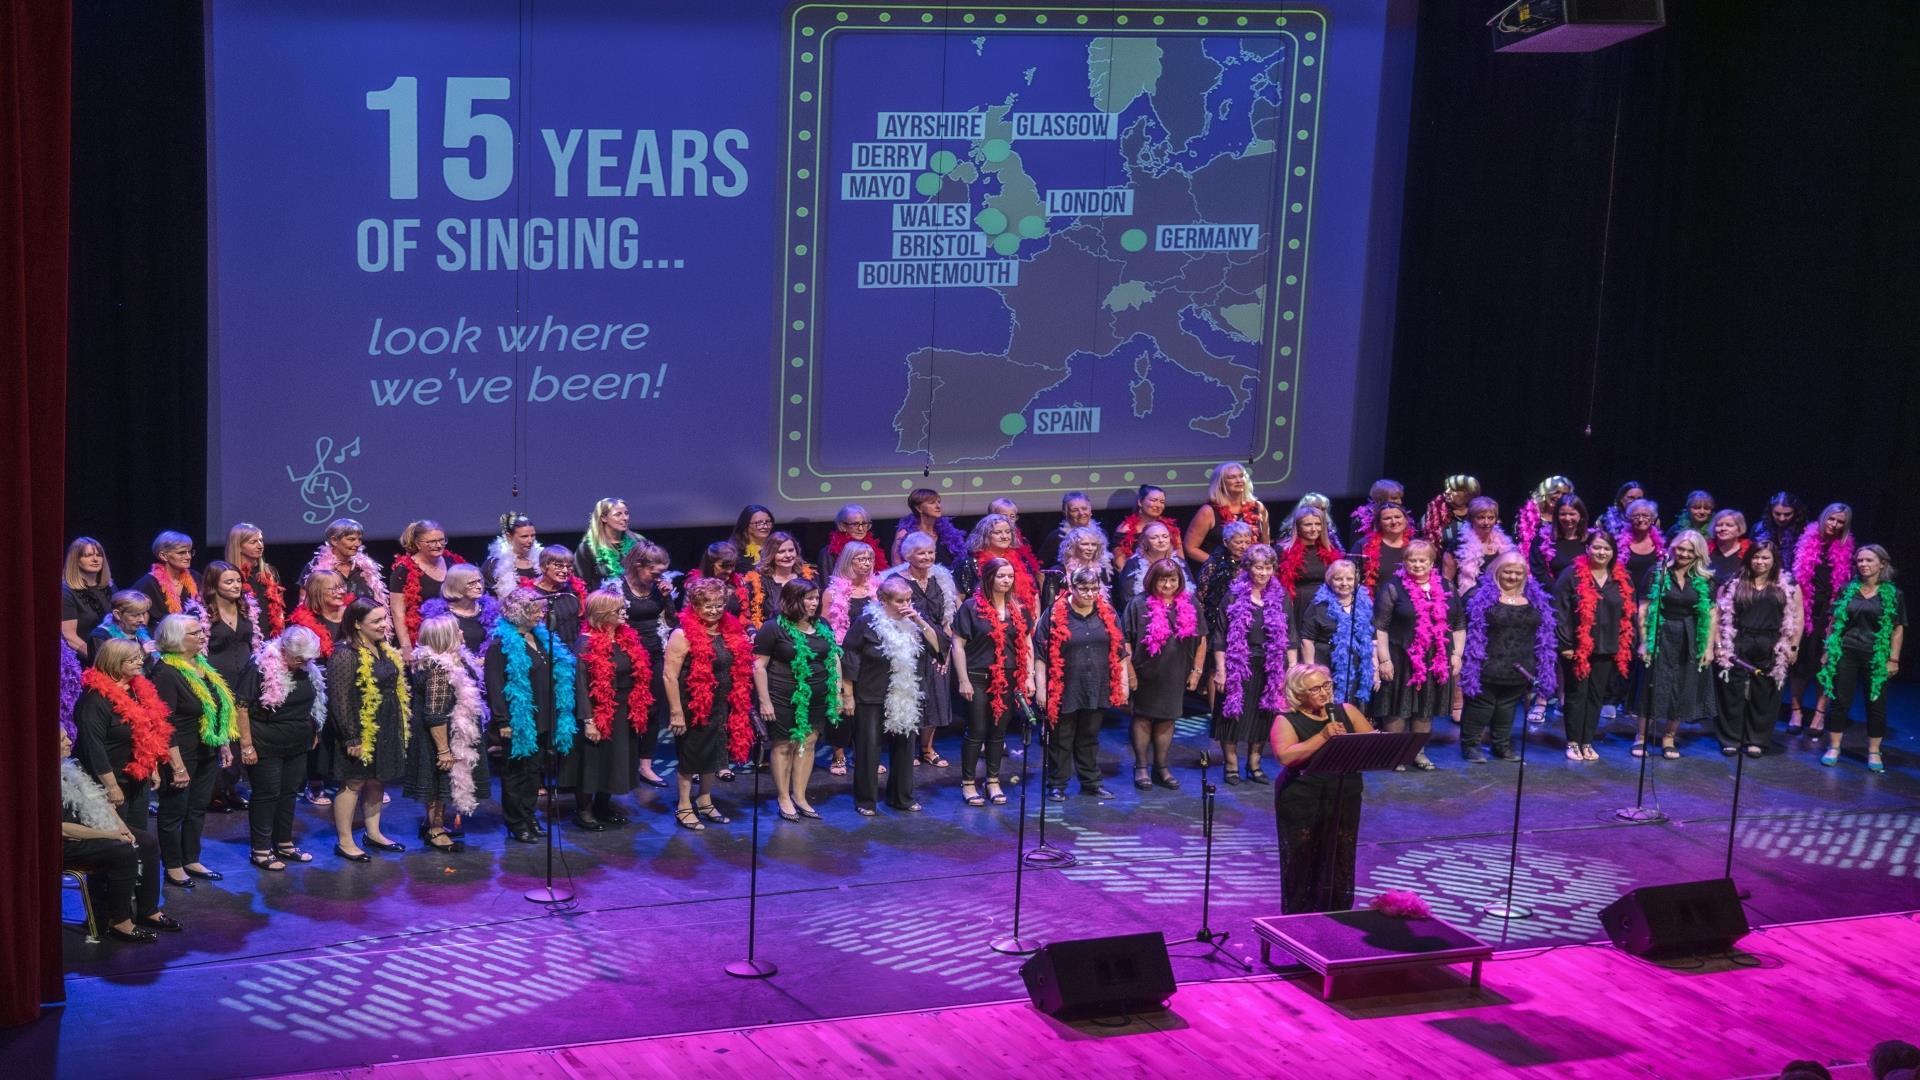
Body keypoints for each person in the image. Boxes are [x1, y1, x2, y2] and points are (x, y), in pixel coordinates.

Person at [1270, 663, 1375, 914]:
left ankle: (1337, 913)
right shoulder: (1286, 720)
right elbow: (1285, 757)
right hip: (1303, 797)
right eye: (1315, 688)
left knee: (1340, 854)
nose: (1324, 692)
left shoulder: (1346, 711)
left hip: (1344, 793)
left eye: (1326, 685)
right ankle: (1300, 917)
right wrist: (1323, 736)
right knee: (1303, 858)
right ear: (1298, 694)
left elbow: (1371, 743)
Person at [843, 577, 949, 814]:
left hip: (904, 693)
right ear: (883, 601)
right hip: (871, 694)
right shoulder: (866, 622)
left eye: (909, 600)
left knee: (904, 747)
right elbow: (849, 656)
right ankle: (866, 801)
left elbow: (939, 646)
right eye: (900, 601)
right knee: (869, 748)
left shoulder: (914, 622)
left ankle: (901, 797)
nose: (906, 605)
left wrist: (919, 620)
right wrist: (847, 694)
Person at [60, 725, 176, 942]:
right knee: (123, 851)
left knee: (147, 842)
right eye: (62, 740)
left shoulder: (71, 769)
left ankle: (148, 910)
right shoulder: (40, 781)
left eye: (67, 737)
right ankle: (120, 921)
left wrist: (119, 826)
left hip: (93, 827)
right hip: (68, 842)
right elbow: (61, 828)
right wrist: (113, 836)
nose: (69, 742)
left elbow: (100, 802)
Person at [149, 613, 238, 887]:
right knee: (174, 810)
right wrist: (176, 766)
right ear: (175, 639)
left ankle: (191, 858)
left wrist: (222, 743)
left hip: (206, 749)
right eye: (195, 633)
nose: (202, 636)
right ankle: (173, 865)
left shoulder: (201, 665)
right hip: (179, 752)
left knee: (198, 807)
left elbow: (216, 708)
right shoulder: (165, 672)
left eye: (202, 631)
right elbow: (165, 724)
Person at [487, 587, 580, 843]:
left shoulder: (542, 638)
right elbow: (495, 686)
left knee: (534, 772)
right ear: (519, 612)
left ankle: (529, 816)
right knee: (516, 772)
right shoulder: (500, 645)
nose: (541, 613)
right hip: (517, 720)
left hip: (542, 716)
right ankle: (516, 822)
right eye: (535, 609)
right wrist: (503, 721)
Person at [325, 600, 413, 860]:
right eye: (376, 621)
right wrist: (351, 736)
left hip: (385, 723)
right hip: (358, 727)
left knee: (377, 779)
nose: (384, 624)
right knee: (354, 782)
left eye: (384, 618)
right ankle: (345, 841)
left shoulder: (383, 648)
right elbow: (339, 699)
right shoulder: (345, 653)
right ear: (357, 624)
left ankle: (373, 833)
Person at [661, 578, 751, 830]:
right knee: (692, 756)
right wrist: (676, 712)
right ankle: (683, 805)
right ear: (695, 605)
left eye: (719, 605)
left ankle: (704, 800)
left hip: (722, 703)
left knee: (715, 753)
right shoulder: (682, 634)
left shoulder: (729, 630)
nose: (714, 610)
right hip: (693, 705)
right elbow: (669, 675)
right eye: (707, 605)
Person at [234, 626, 326, 869]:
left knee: (289, 793)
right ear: (283, 649)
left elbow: (315, 700)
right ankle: (261, 849)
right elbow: (241, 706)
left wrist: (315, 729)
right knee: (267, 794)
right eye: (298, 659)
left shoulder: (307, 667)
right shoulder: (260, 666)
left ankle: (284, 843)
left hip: (297, 741)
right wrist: (246, 746)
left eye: (307, 659)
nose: (303, 663)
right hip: (265, 741)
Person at [1457, 552, 1559, 762]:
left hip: (1520, 665)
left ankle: (1501, 745)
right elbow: (1463, 628)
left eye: (1518, 573)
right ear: (1497, 572)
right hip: (1485, 663)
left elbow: (1544, 631)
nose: (1513, 577)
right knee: (1480, 706)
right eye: (1508, 572)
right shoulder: (1479, 596)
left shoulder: (1535, 598)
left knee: (1507, 707)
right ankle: (1471, 746)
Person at [753, 579, 839, 820]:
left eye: (816, 597)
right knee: (784, 746)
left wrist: (838, 691)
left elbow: (833, 659)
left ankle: (800, 796)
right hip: (783, 696)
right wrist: (765, 701)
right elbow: (759, 666)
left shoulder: (822, 625)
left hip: (817, 696)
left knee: (807, 744)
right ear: (793, 599)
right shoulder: (773, 628)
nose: (814, 603)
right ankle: (783, 797)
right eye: (809, 598)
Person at [954, 557, 1036, 806]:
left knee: (998, 732)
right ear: (989, 578)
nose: (1006, 580)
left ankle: (992, 781)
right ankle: (968, 783)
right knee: (977, 730)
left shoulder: (1017, 608)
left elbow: (1027, 642)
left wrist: (1029, 676)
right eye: (1001, 576)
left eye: (1010, 576)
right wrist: (963, 680)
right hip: (978, 676)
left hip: (1008, 678)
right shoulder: (971, 607)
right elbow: (957, 644)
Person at [1369, 540, 1457, 771]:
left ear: (1431, 562)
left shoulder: (1447, 587)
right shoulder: (1393, 588)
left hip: (1434, 659)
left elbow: (1458, 624)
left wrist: (1456, 655)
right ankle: (1394, 754)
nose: (1417, 565)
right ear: (1405, 562)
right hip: (1400, 656)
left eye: (1422, 560)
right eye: (1412, 560)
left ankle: (1417, 752)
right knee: (1397, 706)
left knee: (1425, 708)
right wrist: (1384, 659)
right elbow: (1381, 626)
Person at [566, 591, 650, 830]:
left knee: (614, 761)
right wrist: (589, 720)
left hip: (622, 710)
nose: (624, 613)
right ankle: (584, 810)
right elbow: (580, 686)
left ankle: (604, 806)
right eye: (618, 610)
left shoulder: (625, 637)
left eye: (624, 608)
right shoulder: (586, 642)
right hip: (596, 711)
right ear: (602, 614)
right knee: (593, 761)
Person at [1814, 544, 1903, 772]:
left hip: (1876, 654)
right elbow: (1835, 622)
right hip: (1846, 651)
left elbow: (1897, 628)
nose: (1863, 564)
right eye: (1860, 561)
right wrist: (1827, 650)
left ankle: (1873, 751)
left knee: (1875, 703)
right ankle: (1834, 747)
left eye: (1869, 560)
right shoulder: (1848, 589)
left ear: (1882, 563)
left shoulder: (1893, 594)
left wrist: (1893, 659)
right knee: (1840, 700)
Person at [1122, 558, 1204, 791]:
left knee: (1168, 718)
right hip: (1145, 671)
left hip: (1176, 671)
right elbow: (1125, 640)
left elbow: (1202, 640)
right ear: (1152, 580)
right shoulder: (1138, 604)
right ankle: (1141, 767)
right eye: (1162, 580)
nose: (1167, 585)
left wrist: (1196, 671)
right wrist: (1130, 674)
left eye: (1172, 580)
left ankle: (1162, 767)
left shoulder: (1191, 603)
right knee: (1143, 717)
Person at [74, 639, 172, 833]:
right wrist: (111, 786)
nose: (140, 662)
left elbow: (148, 733)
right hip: (109, 781)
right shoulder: (94, 700)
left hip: (138, 779)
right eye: (132, 659)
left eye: (140, 657)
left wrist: (152, 767)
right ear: (114, 663)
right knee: (119, 837)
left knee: (140, 834)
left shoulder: (138, 691)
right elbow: (93, 748)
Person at [1212, 544, 1290, 785]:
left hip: (1269, 664)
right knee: (1232, 715)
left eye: (1268, 567)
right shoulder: (1234, 595)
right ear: (1248, 568)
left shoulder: (1280, 596)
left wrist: (1292, 671)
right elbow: (1219, 637)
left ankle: (1255, 764)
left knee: (1262, 714)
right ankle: (1231, 765)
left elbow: (1291, 635)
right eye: (1259, 567)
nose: (1264, 572)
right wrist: (1221, 671)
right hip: (1238, 663)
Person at [1714, 543, 1801, 758]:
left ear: (1774, 560)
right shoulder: (1734, 582)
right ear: (1749, 558)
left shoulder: (1787, 584)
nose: (1760, 562)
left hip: (1771, 642)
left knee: (1766, 692)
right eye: (1756, 557)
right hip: (1738, 639)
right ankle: (1731, 738)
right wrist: (1718, 645)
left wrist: (1793, 646)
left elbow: (1798, 617)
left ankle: (1757, 739)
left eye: (1765, 558)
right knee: (1731, 691)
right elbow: (1716, 615)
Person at [1553, 531, 1635, 761]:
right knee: (1576, 693)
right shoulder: (1572, 574)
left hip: (1607, 646)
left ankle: (1587, 741)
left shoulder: (1621, 578)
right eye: (1597, 547)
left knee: (1596, 695)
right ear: (1587, 548)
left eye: (1606, 549)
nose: (1601, 552)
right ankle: (1572, 741)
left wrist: (1625, 643)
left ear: (1613, 552)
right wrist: (1565, 643)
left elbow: (1628, 612)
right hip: (1577, 647)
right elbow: (1559, 611)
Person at [408, 616, 488, 850]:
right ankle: (435, 829)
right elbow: (434, 713)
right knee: (439, 781)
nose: (463, 634)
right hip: (441, 735)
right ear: (446, 637)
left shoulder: (453, 661)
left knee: (441, 782)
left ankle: (434, 823)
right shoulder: (439, 668)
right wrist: (443, 750)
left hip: (452, 731)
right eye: (458, 631)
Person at [1636, 531, 1717, 759]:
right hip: (1660, 632)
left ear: (1698, 554)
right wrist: (1644, 642)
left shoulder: (1705, 579)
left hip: (1689, 635)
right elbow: (1644, 609)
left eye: (1690, 550)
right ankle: (1641, 736)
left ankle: (1669, 736)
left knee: (1683, 685)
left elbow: (1711, 614)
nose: (1684, 553)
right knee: (1652, 682)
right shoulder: (1657, 572)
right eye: (1681, 548)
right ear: (1673, 548)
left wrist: (1709, 647)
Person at [883, 532, 960, 767]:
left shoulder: (941, 579)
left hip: (936, 642)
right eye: (921, 553)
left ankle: (927, 748)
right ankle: (908, 748)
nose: (927, 557)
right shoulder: (897, 580)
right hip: (908, 643)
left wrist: (944, 650)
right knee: (911, 694)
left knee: (935, 694)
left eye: (930, 552)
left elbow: (948, 617)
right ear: (908, 555)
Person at [198, 560, 258, 813]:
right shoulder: (201, 613)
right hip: (216, 680)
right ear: (214, 585)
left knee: (241, 733)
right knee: (221, 734)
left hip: (246, 679)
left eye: (238, 581)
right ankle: (214, 791)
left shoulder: (247, 609)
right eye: (229, 581)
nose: (236, 586)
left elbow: (255, 642)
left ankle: (231, 787)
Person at [1790, 503, 1855, 732]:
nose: (1835, 525)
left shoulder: (1846, 548)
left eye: (1840, 522)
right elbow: (1796, 578)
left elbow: (1847, 584)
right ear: (1824, 518)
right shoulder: (1806, 540)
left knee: (1825, 665)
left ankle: (1818, 715)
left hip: (1831, 613)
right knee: (1799, 665)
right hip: (1805, 609)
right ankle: (1796, 712)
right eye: (1832, 520)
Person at [617, 541, 675, 788]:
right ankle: (624, 763)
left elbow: (672, 622)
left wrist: (667, 598)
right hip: (626, 656)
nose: (658, 577)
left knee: (652, 710)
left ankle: (646, 765)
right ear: (638, 565)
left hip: (654, 653)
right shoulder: (616, 587)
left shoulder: (657, 590)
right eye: (654, 572)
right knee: (626, 710)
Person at [820, 540, 878, 777]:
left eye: (869, 559)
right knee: (843, 706)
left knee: (866, 706)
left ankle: (863, 755)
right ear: (848, 561)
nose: (866, 564)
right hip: (843, 653)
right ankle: (839, 755)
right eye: (860, 559)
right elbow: (824, 624)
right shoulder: (833, 592)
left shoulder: (877, 589)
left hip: (870, 655)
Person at [1298, 559, 1375, 710]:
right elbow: (1307, 640)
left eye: (1349, 579)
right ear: (1330, 580)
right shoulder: (1319, 605)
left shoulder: (1365, 603)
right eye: (1338, 579)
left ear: (1356, 580)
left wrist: (1375, 668)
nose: (1344, 583)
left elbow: (1372, 639)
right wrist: (1311, 671)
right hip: (1327, 664)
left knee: (1354, 710)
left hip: (1357, 665)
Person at [389, 519, 463, 650]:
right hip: (422, 640)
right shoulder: (403, 571)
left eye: (442, 540)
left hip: (451, 635)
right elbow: (397, 612)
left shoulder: (452, 562)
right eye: (431, 542)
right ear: (418, 544)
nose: (439, 545)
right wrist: (406, 647)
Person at [1185, 460, 1270, 564]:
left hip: (1250, 571)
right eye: (1232, 477)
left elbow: (1266, 545)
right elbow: (1190, 548)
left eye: (1241, 476)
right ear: (1220, 483)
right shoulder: (1208, 511)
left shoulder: (1258, 507)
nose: (1238, 480)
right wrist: (1220, 565)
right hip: (1219, 573)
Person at [1276, 503, 1343, 634]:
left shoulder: (1331, 550)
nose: (1314, 529)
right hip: (1299, 604)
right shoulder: (1283, 550)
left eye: (1318, 524)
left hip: (1326, 603)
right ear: (1298, 527)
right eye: (1308, 525)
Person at [956, 513, 1041, 611]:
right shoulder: (970, 564)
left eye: (1008, 532)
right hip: (981, 621)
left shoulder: (1021, 562)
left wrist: (1035, 624)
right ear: (985, 536)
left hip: (1019, 621)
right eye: (998, 532)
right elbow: (958, 598)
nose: (1004, 536)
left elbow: (1034, 594)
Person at [300, 518, 387, 606]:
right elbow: (305, 604)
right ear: (334, 540)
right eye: (351, 539)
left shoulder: (366, 567)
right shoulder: (315, 566)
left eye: (359, 539)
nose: (358, 544)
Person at [419, 563, 500, 656]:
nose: (479, 587)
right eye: (471, 583)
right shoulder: (440, 615)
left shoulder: (490, 610)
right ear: (457, 586)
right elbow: (436, 651)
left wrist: (485, 660)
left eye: (479, 581)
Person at [740, 530, 816, 629]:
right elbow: (749, 617)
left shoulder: (807, 578)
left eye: (791, 550)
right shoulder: (759, 582)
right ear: (771, 554)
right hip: (773, 636)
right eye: (781, 552)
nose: (788, 555)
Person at [226, 522, 287, 637]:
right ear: (238, 546)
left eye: (261, 540)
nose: (260, 545)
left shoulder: (270, 572)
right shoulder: (229, 574)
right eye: (253, 542)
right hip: (244, 636)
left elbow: (279, 609)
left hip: (270, 637)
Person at [1443, 496, 1513, 594]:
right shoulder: (1458, 545)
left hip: (1499, 599)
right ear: (1471, 519)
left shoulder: (1504, 543)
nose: (1486, 522)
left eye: (1491, 518)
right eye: (1481, 518)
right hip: (1468, 601)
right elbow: (1447, 582)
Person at [61, 536, 115, 662]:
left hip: (113, 656)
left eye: (99, 555)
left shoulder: (109, 586)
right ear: (76, 560)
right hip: (86, 661)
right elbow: (69, 636)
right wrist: (99, 660)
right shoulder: (66, 591)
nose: (95, 559)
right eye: (88, 555)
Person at [577, 497, 645, 588]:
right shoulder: (588, 548)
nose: (625, 518)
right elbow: (581, 585)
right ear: (604, 518)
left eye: (626, 513)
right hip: (603, 601)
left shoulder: (639, 542)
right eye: (618, 514)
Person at [1514, 476, 1576, 575]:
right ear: (1545, 493)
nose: (1559, 496)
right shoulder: (1529, 516)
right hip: (1530, 568)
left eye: (1564, 494)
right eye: (1556, 492)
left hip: (1559, 569)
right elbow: (1520, 544)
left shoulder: (1569, 518)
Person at [890, 487, 967, 566]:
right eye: (932, 502)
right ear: (919, 508)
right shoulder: (905, 533)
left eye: (938, 502)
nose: (938, 506)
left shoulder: (948, 534)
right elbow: (897, 565)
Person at [529, 544, 589, 645]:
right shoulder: (532, 594)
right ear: (544, 567)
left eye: (568, 566)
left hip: (576, 649)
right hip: (549, 650)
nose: (565, 571)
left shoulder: (574, 588)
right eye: (559, 566)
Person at [131, 531, 198, 618]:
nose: (188, 557)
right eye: (181, 553)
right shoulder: (148, 583)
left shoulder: (195, 577)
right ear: (163, 556)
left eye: (190, 552)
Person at [1112, 485, 1181, 569]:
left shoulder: (1170, 528)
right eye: (1154, 500)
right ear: (1140, 502)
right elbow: (1120, 564)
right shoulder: (1125, 529)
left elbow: (1180, 559)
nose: (1158, 505)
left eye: (1162, 502)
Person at [1047, 523, 1112, 611]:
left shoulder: (1100, 570)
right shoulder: (1058, 572)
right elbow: (1049, 608)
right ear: (1073, 546)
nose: (1090, 548)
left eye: (1093, 544)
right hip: (1067, 620)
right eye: (1085, 544)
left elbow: (1108, 603)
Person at [1115, 520, 1180, 608]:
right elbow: (1127, 598)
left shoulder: (1179, 562)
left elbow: (1190, 593)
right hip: (1145, 614)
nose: (1161, 540)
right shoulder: (1133, 564)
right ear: (1144, 542)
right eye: (1154, 537)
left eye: (1165, 536)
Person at [481, 511, 541, 599]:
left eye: (533, 535)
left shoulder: (542, 559)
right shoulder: (494, 565)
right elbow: (486, 598)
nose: (530, 540)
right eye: (524, 536)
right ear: (509, 537)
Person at [1534, 494, 1589, 587]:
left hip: (1587, 595)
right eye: (1563, 514)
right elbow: (1538, 572)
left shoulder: (1591, 540)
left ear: (1581, 515)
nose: (1567, 518)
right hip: (1555, 594)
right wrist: (1560, 592)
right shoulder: (1542, 540)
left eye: (1572, 514)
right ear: (1556, 516)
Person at [1357, 503, 1413, 592]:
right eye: (1387, 518)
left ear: (1406, 520)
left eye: (1398, 517)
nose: (1394, 522)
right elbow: (1350, 575)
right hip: (1374, 602)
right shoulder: (1364, 545)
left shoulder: (1415, 546)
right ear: (1379, 523)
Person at [819, 503, 889, 574]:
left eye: (864, 524)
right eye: (855, 524)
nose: (861, 528)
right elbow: (827, 583)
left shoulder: (872, 549)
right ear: (842, 526)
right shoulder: (829, 553)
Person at [1420, 474, 1480, 552]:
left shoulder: (1480, 515)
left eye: (1454, 489)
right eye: (1447, 488)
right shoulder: (1432, 516)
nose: (1447, 492)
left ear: (1469, 494)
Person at [1615, 498, 1667, 588]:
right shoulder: (1619, 542)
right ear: (1629, 519)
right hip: (1625, 592)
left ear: (1652, 519)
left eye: (1645, 515)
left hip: (1652, 594)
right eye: (1636, 516)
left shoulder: (1660, 543)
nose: (1640, 519)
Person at [1038, 490, 1098, 569]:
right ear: (1066, 513)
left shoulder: (1100, 534)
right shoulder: (1057, 536)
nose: (1081, 513)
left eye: (1084, 508)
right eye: (1075, 510)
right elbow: (1039, 567)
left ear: (1090, 511)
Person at [88, 589, 154, 658]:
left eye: (143, 614)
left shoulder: (144, 629)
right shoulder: (101, 637)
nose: (142, 619)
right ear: (117, 614)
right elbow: (106, 667)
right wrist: (142, 654)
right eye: (135, 615)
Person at [1348, 478, 1405, 546]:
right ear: (1379, 500)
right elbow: (1357, 548)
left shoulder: (1401, 517)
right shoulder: (1361, 520)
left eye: (1400, 498)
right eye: (1394, 498)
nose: (1400, 502)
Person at [1707, 509, 1752, 586]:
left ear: (1739, 528)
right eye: (1719, 525)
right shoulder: (1705, 548)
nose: (1723, 529)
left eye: (1729, 525)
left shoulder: (1750, 550)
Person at [729, 504, 777, 568]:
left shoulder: (776, 548)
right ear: (746, 525)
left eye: (768, 522)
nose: (765, 526)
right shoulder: (734, 552)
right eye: (759, 523)